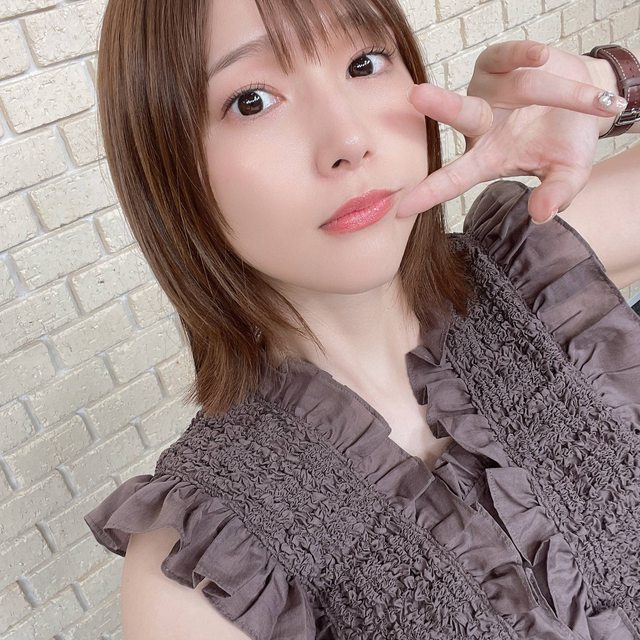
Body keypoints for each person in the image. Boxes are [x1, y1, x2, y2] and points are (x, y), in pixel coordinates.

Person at [84, 0, 640, 638]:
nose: (348, 141)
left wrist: (608, 89)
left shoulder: (533, 272)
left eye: (364, 63)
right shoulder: (200, 575)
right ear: (167, 168)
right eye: (252, 101)